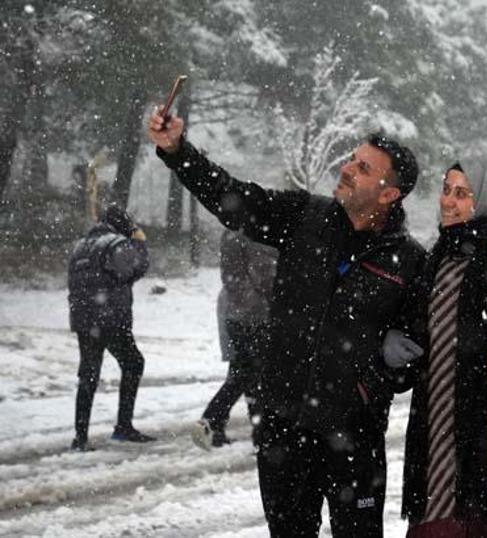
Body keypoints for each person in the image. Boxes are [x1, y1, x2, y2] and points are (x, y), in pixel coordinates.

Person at [148, 109, 425, 537]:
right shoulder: (304, 217)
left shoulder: (408, 261)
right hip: (283, 426)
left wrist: (381, 373)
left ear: (390, 194)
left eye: (363, 167)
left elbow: (417, 351)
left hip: (355, 436)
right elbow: (233, 199)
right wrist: (177, 151)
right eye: (352, 159)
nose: (347, 168)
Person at [385, 160, 487, 536]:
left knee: (472, 521)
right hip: (433, 425)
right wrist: (396, 350)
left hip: (481, 431)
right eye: (446, 189)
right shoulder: (438, 257)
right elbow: (418, 334)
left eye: (462, 194)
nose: (448, 201)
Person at [68, 204, 155, 451]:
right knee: (133, 363)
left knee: (88, 374)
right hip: (110, 318)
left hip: (84, 320)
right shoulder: (115, 243)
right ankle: (123, 426)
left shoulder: (80, 246)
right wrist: (139, 240)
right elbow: (136, 268)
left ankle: (80, 437)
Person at [191, 229, 277, 450]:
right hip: (256, 315)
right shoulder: (255, 235)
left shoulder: (232, 234)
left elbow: (235, 276)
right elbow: (266, 276)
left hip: (237, 314)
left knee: (245, 373)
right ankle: (217, 423)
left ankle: (219, 426)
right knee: (254, 375)